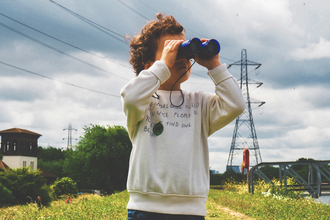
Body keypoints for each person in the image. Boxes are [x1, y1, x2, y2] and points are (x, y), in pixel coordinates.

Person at [121, 13, 245, 220]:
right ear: (149, 65)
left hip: (191, 210)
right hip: (145, 208)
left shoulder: (200, 103)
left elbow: (236, 104)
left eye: (184, 50)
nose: (182, 57)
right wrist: (162, 65)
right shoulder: (144, 102)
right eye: (173, 51)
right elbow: (131, 96)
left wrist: (214, 64)